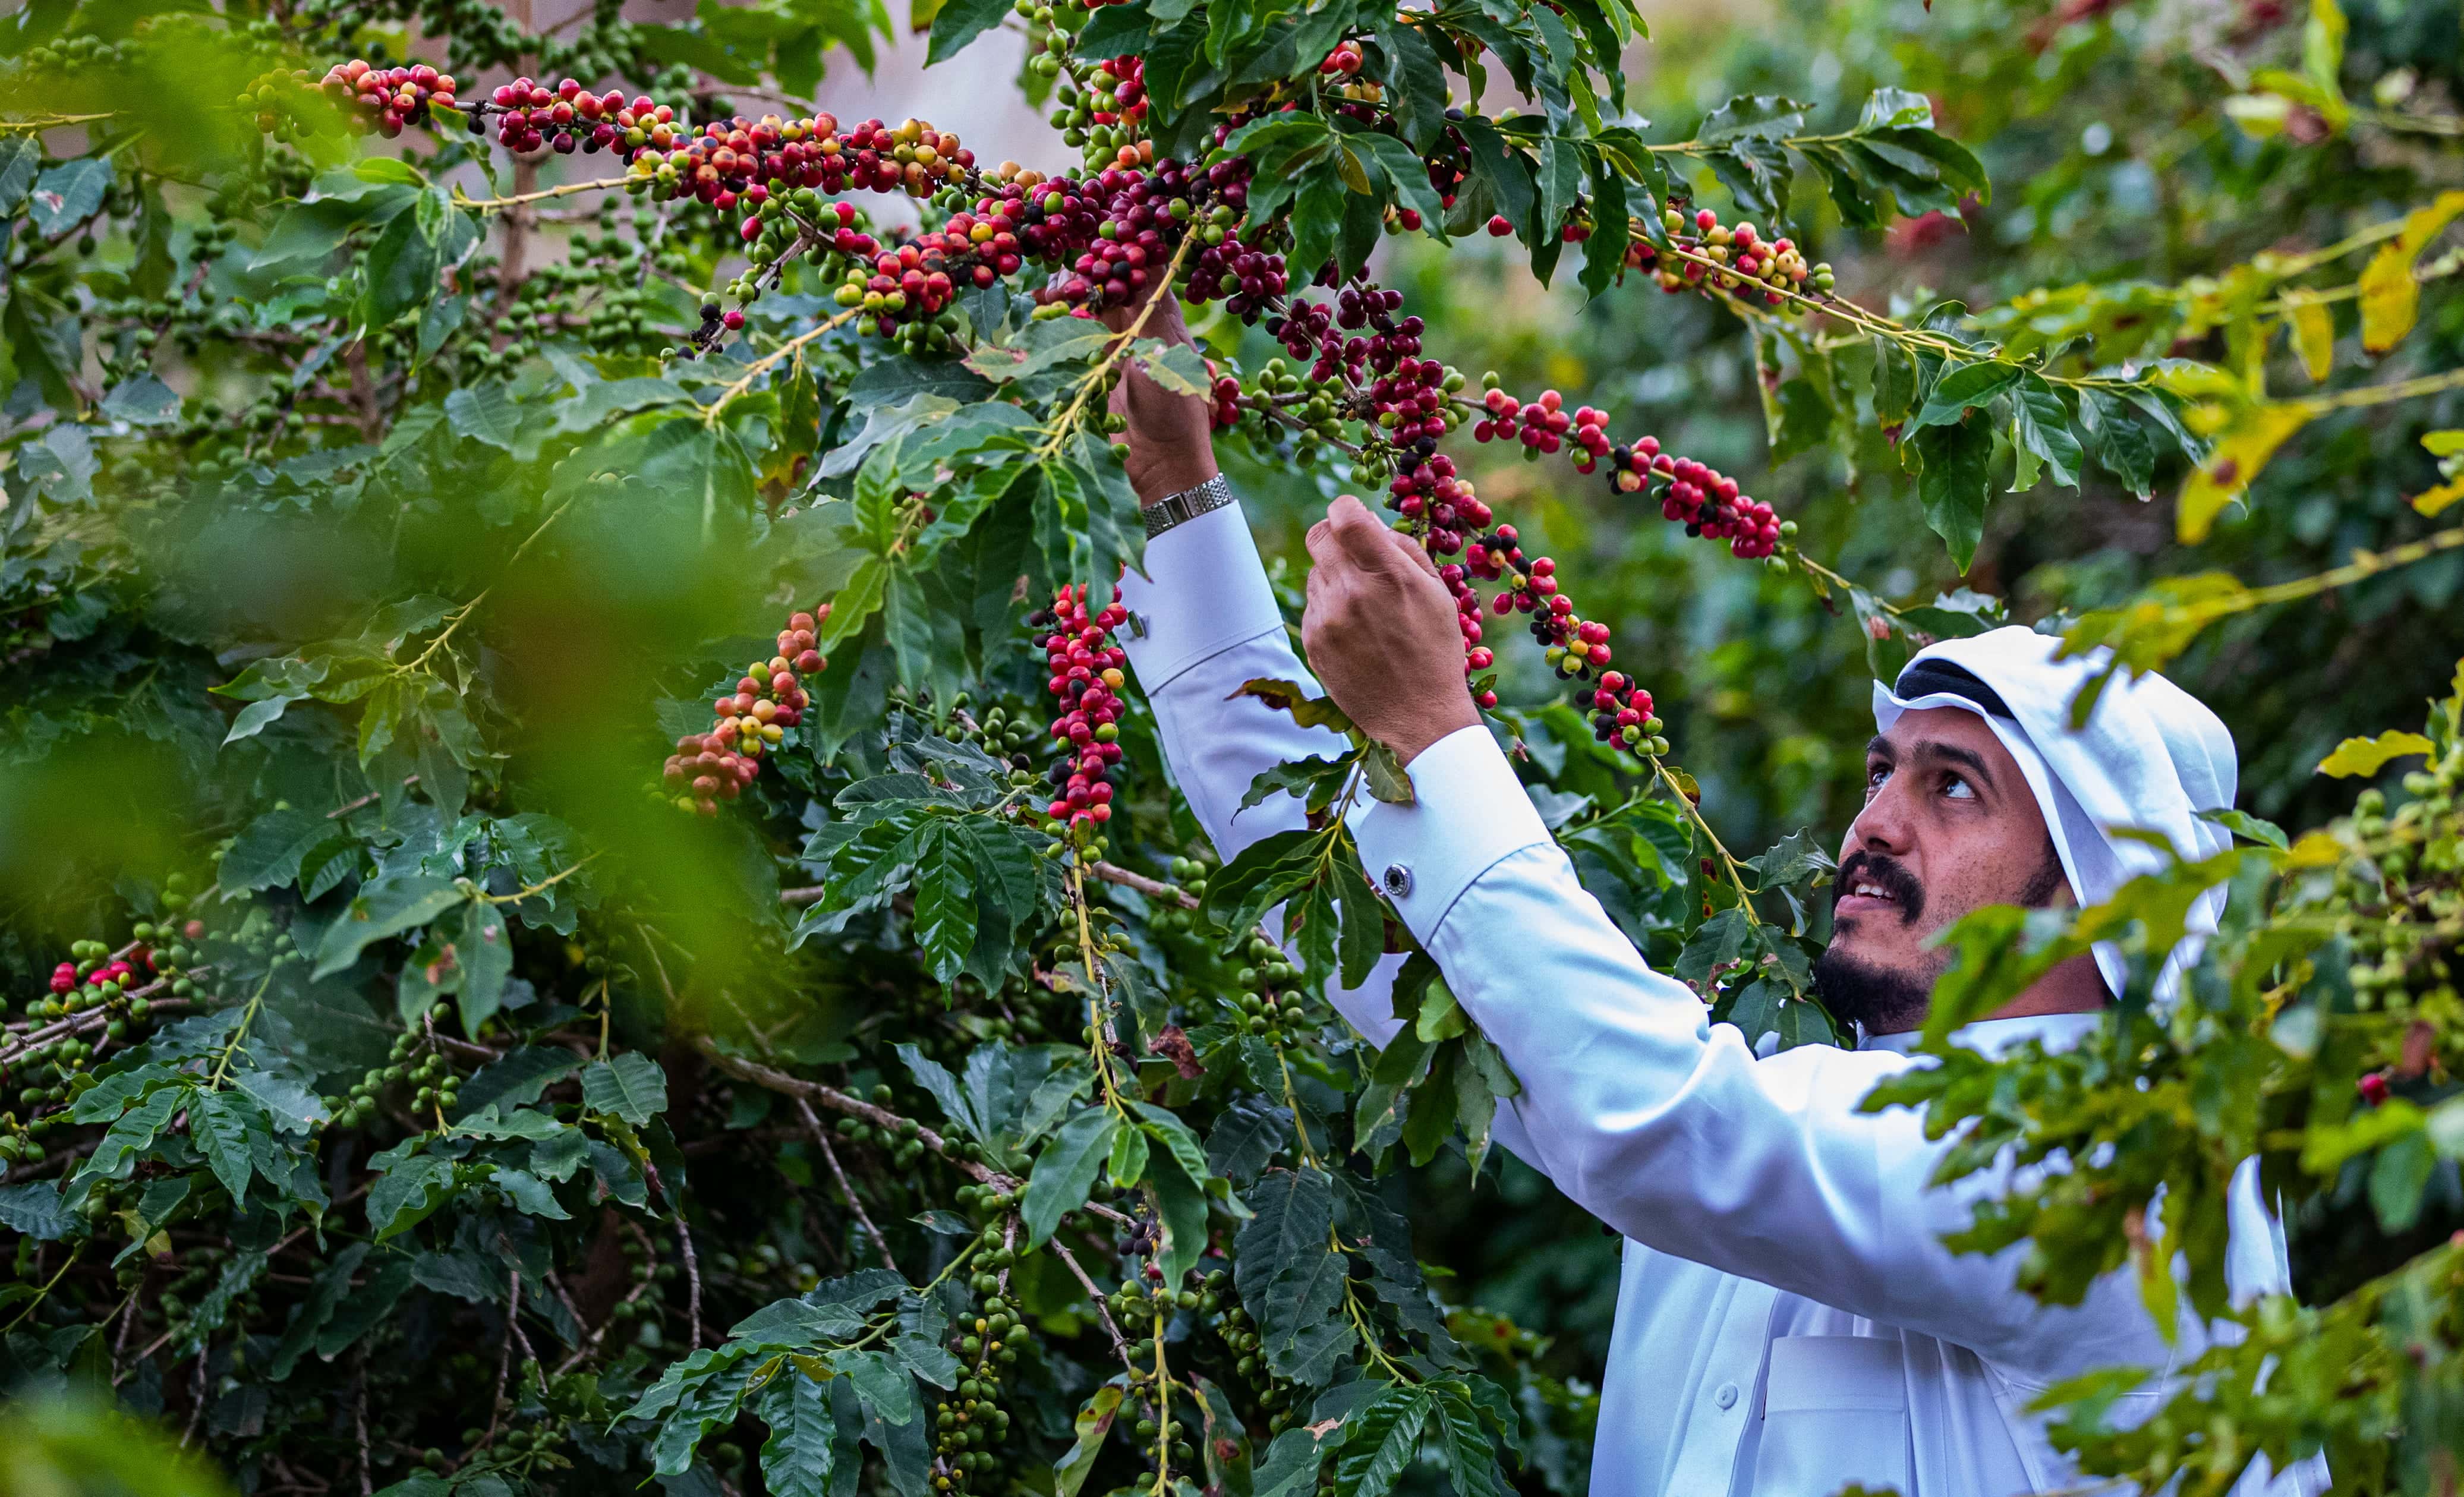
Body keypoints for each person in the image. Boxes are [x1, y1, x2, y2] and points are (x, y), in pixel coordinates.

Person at [1097, 295, 2324, 1497]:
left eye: (1956, 791)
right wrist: (1175, 487)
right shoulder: (1810, 1123)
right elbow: (1384, 929)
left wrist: (1432, 730)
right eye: (1884, 770)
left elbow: (1655, 1114)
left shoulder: (2115, 1167)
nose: (1875, 823)